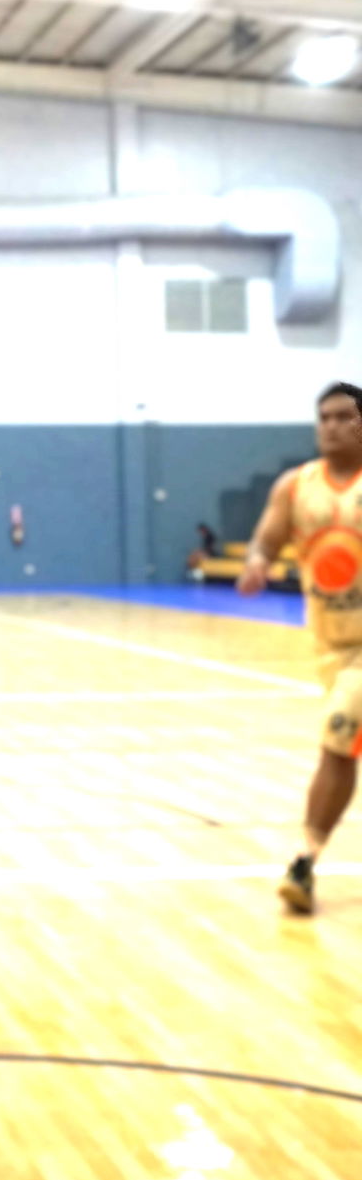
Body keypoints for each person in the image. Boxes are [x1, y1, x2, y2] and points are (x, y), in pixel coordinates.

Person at [239, 382, 362, 915]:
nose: (330, 426)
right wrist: (257, 560)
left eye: (342, 417)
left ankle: (304, 861)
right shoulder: (295, 487)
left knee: (338, 736)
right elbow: (267, 537)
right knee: (343, 745)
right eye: (324, 418)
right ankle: (308, 859)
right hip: (330, 646)